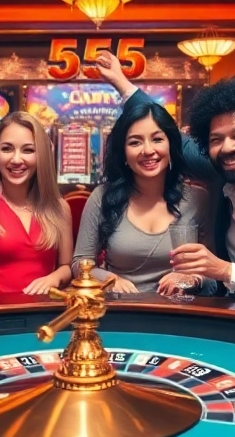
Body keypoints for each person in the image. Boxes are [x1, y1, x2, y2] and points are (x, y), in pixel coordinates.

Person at [94, 36, 235, 302]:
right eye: (216, 140)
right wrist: (122, 84)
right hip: (230, 316)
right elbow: (167, 136)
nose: (227, 148)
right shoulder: (221, 174)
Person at [72, 98, 212, 294]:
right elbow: (80, 264)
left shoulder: (198, 199)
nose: (148, 150)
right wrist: (110, 279)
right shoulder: (102, 197)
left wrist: (192, 278)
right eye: (135, 142)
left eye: (157, 139)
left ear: (171, 145)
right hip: (120, 311)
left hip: (179, 313)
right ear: (123, 153)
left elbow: (215, 274)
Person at [0, 111, 73, 295]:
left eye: (28, 150)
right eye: (7, 149)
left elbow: (66, 267)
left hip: (45, 313)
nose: (16, 159)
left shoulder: (59, 207)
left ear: (41, 156)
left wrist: (53, 278)